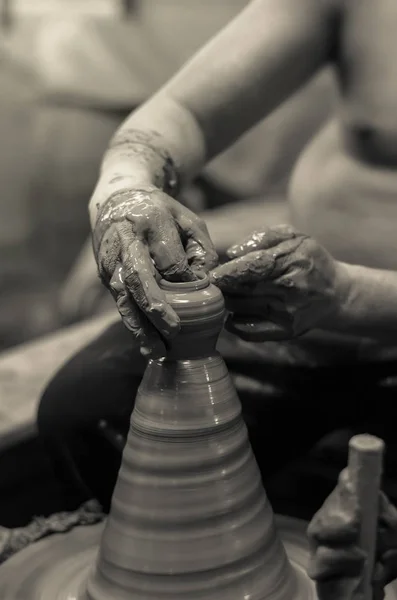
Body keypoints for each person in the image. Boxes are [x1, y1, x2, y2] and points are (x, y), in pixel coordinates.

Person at [38, 0, 397, 511]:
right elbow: (183, 114)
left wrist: (352, 295)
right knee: (87, 407)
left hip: (373, 317)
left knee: (344, 522)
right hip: (299, 320)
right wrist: (126, 192)